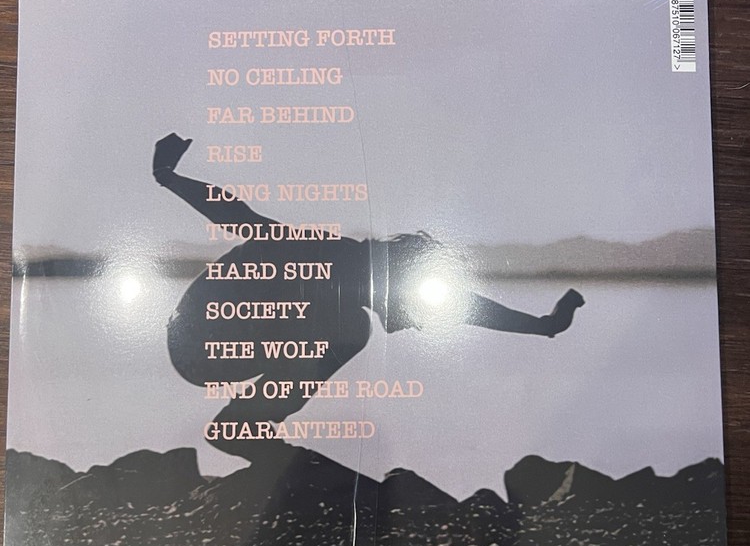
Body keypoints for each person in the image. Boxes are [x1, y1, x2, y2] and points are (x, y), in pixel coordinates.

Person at [153, 133, 584, 457]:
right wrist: (169, 178)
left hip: (218, 340)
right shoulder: (326, 256)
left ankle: (247, 422)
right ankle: (241, 425)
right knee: (349, 326)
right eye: (411, 309)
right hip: (197, 339)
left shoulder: (354, 277)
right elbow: (239, 217)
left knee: (347, 324)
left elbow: (464, 309)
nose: (408, 323)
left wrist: (540, 326)